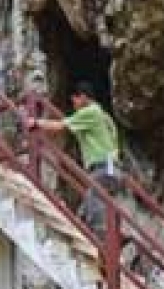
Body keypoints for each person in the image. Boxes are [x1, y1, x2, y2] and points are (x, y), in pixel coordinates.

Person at [33, 86, 125, 236]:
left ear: (83, 97)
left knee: (95, 201)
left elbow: (60, 126)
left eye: (75, 100)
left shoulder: (90, 112)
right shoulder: (104, 116)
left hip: (103, 167)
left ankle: (103, 240)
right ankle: (111, 237)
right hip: (113, 167)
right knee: (87, 209)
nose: (74, 105)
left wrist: (36, 123)